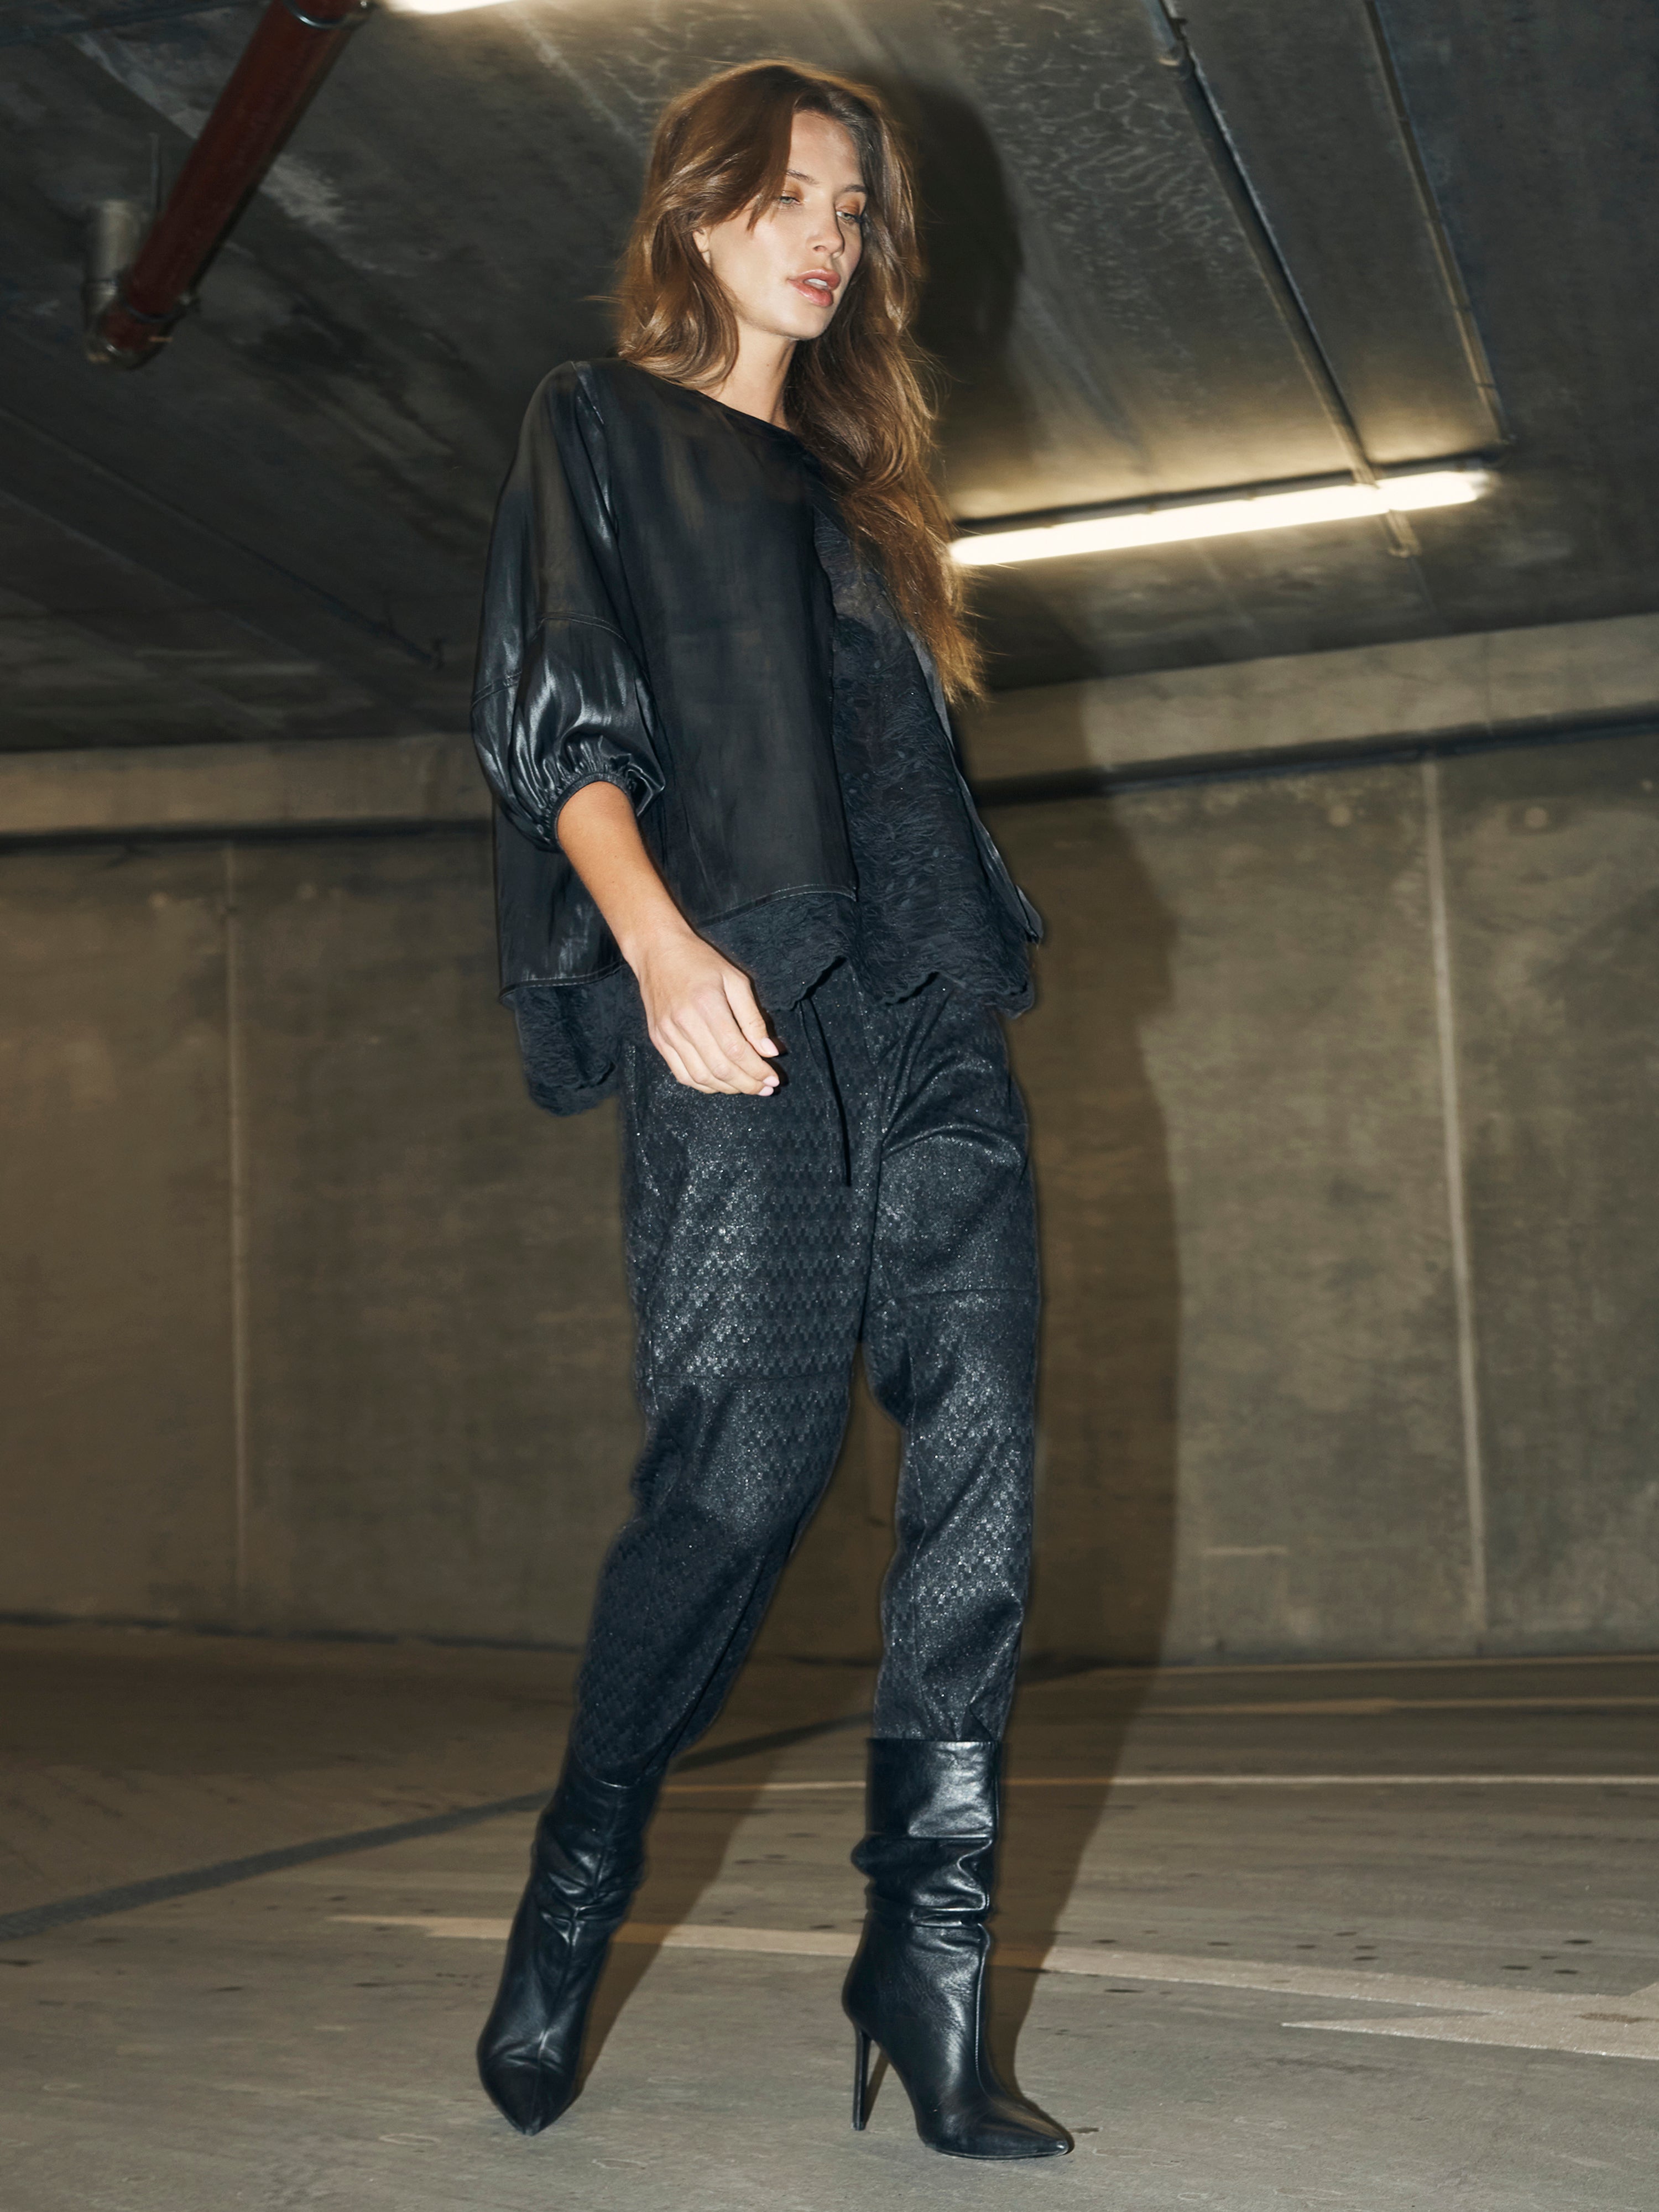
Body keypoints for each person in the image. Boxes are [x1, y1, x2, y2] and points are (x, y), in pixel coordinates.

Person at [468, 58, 1070, 2162]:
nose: (828, 236)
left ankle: (930, 1959)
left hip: (934, 1009)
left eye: (853, 209)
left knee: (984, 1452)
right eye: (791, 194)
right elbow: (560, 719)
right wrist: (655, 948)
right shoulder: (599, 425)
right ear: (697, 211)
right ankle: (581, 1868)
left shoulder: (863, 496)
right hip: (745, 996)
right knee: (744, 1468)